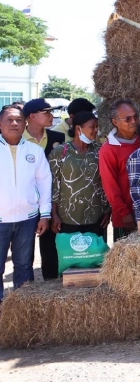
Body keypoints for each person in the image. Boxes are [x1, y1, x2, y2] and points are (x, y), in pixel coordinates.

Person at [0, 105, 52, 301]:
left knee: (23, 265)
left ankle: (22, 308)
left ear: (25, 123)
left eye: (19, 120)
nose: (14, 123)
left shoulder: (35, 151)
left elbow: (45, 182)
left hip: (27, 218)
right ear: (0, 124)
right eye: (9, 120)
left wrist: (45, 214)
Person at [22, 98, 66, 281]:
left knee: (49, 246)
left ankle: (50, 282)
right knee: (23, 252)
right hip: (24, 201)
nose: (51, 116)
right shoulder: (16, 138)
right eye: (47, 112)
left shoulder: (58, 138)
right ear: (32, 116)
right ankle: (24, 286)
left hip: (50, 200)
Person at [49, 112, 109, 242]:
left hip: (96, 216)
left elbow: (106, 182)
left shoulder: (101, 150)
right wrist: (54, 215)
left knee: (95, 257)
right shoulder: (60, 152)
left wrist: (108, 210)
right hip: (67, 217)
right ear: (78, 129)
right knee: (71, 258)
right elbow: (54, 185)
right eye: (92, 127)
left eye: (97, 127)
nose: (96, 130)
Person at [99, 99, 140, 240]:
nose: (133, 121)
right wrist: (124, 213)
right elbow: (110, 186)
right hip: (125, 216)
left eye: (135, 116)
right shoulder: (109, 150)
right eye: (127, 119)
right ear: (115, 122)